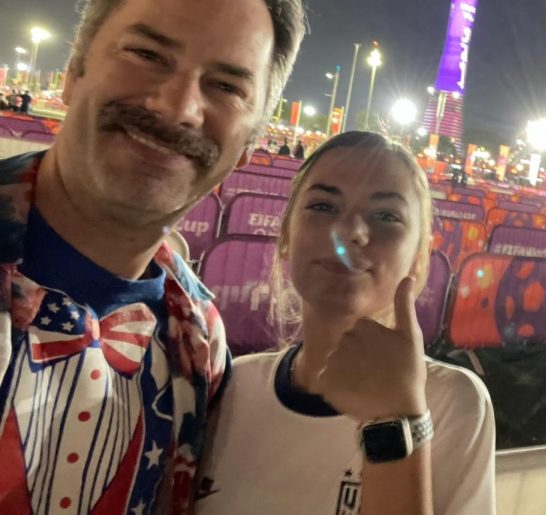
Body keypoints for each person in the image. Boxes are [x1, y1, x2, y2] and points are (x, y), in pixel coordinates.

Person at [0, 0, 305, 514]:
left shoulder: (201, 344)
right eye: (146, 53)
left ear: (248, 143)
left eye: (225, 87)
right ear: (75, 68)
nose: (179, 107)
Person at [198, 131, 495, 514]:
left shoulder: (452, 403)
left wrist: (398, 423)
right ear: (286, 234)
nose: (350, 233)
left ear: (419, 258)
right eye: (323, 206)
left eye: (386, 216)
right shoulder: (231, 387)